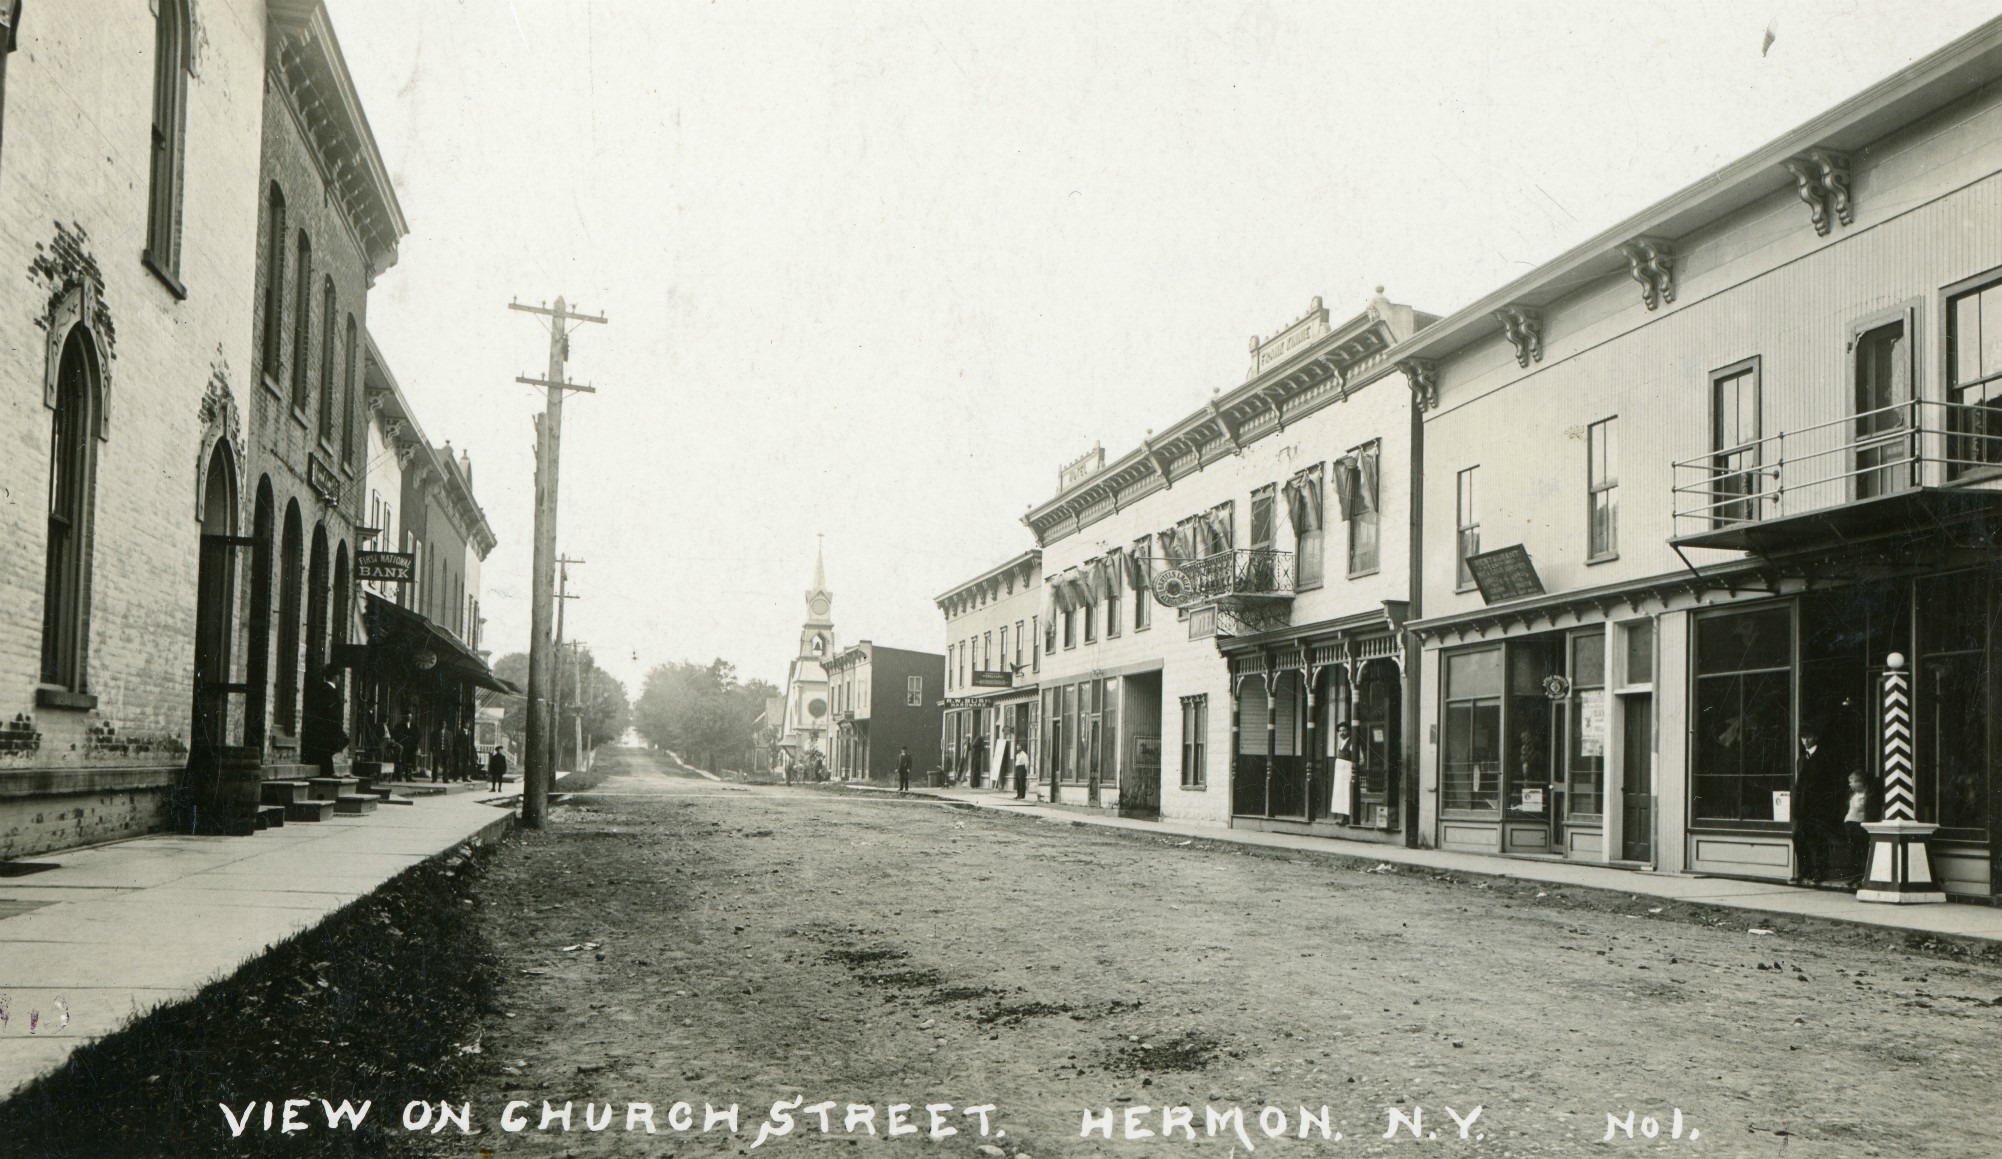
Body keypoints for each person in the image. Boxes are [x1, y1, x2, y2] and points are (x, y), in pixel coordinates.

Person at [1792, 728, 1841, 886]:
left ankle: (1821, 871)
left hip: (1820, 807)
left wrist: (1827, 805)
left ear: (1816, 737)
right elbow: (1799, 785)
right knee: (1798, 836)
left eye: (1809, 737)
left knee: (1820, 839)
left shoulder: (1825, 757)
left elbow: (1831, 783)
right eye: (1803, 737)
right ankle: (1805, 871)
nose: (1805, 741)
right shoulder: (1801, 759)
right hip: (1803, 807)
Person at [300, 665, 350, 778]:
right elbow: (329, 710)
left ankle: (327, 769)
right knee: (335, 744)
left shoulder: (324, 689)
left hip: (327, 726)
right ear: (335, 676)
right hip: (329, 727)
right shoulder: (328, 690)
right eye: (338, 675)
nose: (339, 678)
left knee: (333, 745)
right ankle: (328, 771)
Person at [1844, 769, 1874, 888]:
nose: (1850, 784)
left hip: (1860, 825)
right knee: (1853, 851)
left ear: (1861, 782)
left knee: (1862, 850)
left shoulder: (1867, 796)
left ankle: (1862, 876)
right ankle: (1855, 875)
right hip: (1850, 824)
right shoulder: (1853, 795)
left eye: (1853, 781)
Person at [1330, 722, 1357, 824]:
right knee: (1340, 793)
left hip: (1347, 772)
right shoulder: (1341, 742)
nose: (1342, 733)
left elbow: (1360, 758)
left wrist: (1351, 768)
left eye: (1344, 730)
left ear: (1348, 731)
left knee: (1347, 793)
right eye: (1340, 731)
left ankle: (1349, 818)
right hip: (1340, 774)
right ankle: (1343, 818)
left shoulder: (1352, 743)